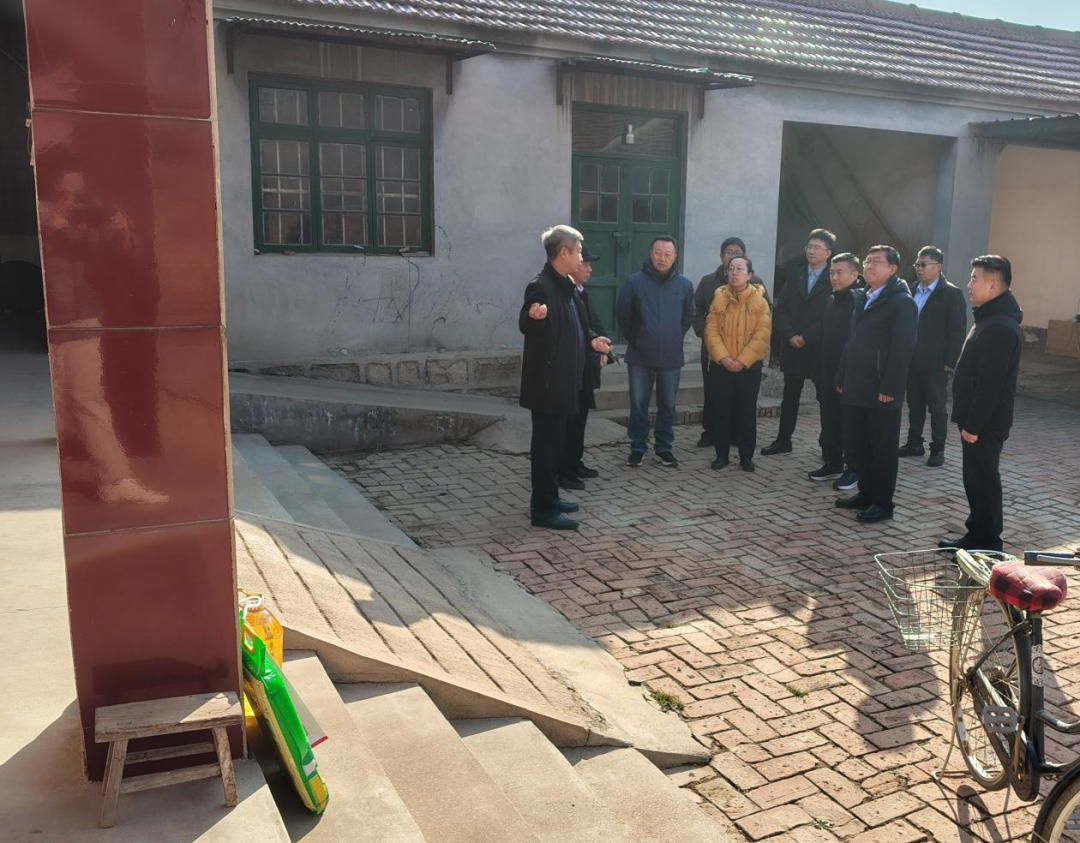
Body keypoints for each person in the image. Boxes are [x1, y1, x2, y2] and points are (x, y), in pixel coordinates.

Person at [519, 225, 612, 530]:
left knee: (556, 447)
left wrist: (593, 340)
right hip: (548, 385)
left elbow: (579, 327)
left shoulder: (567, 287)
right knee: (546, 450)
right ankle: (543, 510)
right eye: (579, 252)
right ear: (563, 252)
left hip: (566, 383)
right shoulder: (541, 287)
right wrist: (533, 316)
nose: (582, 258)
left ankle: (551, 497)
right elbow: (527, 322)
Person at [940, 256, 1023, 553]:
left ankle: (988, 544)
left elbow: (991, 384)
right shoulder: (988, 318)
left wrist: (974, 425)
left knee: (984, 482)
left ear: (993, 284)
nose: (969, 284)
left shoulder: (999, 326)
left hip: (985, 423)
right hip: (977, 420)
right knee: (974, 481)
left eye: (975, 278)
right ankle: (974, 535)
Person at [834, 245, 918, 523]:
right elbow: (851, 342)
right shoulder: (864, 297)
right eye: (867, 261)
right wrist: (842, 376)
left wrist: (890, 387)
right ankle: (866, 493)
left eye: (876, 262)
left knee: (882, 449)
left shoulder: (902, 302)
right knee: (861, 445)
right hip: (857, 384)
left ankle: (882, 503)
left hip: (882, 389)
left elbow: (903, 348)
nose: (869, 266)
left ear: (892, 269)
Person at [616, 235, 695, 468]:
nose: (662, 258)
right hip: (640, 356)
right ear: (651, 253)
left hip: (671, 356)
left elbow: (689, 315)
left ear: (675, 256)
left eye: (667, 254)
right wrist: (637, 337)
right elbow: (623, 314)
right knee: (638, 404)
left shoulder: (684, 285)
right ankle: (638, 447)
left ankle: (663, 448)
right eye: (658, 253)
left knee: (668, 405)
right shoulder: (634, 282)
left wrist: (674, 335)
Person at [762, 228, 836, 456]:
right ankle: (783, 440)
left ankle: (829, 444)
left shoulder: (834, 277)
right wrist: (790, 334)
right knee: (790, 397)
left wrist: (807, 337)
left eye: (817, 248)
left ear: (828, 252)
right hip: (793, 345)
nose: (812, 251)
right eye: (809, 247)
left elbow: (831, 315)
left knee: (825, 398)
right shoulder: (796, 274)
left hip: (819, 347)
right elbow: (781, 307)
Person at [693, 237, 770, 448]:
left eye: (738, 253)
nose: (733, 257)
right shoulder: (708, 282)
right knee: (713, 396)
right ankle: (711, 433)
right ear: (721, 257)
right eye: (729, 252)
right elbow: (697, 309)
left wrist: (744, 357)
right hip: (714, 353)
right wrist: (704, 333)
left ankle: (737, 437)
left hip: (746, 357)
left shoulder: (756, 284)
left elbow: (764, 322)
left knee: (742, 401)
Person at [899, 246, 967, 467]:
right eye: (917, 264)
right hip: (912, 359)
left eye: (924, 264)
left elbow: (957, 331)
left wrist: (950, 361)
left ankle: (937, 449)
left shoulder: (951, 293)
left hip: (936, 362)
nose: (919, 268)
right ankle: (914, 443)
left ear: (938, 267)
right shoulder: (911, 289)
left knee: (937, 406)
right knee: (914, 404)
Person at [559, 244, 613, 490]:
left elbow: (595, 325)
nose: (589, 269)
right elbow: (574, 334)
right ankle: (563, 469)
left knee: (580, 418)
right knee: (568, 422)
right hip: (572, 369)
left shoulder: (582, 292)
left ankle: (574, 462)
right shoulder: (566, 293)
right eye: (585, 263)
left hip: (586, 368)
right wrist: (594, 353)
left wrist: (604, 351)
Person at [810, 253, 864, 490]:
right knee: (830, 421)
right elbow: (824, 338)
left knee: (850, 424)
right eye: (832, 272)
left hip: (851, 375)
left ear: (855, 274)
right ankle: (832, 462)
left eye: (839, 272)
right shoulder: (831, 300)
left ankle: (854, 468)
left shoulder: (860, 301)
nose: (834, 277)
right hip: (827, 373)